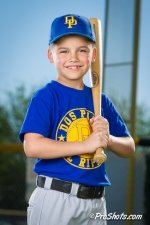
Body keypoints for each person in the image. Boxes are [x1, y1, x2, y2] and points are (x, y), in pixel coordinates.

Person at [19, 14, 135, 225]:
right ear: (50, 55)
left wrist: (107, 139)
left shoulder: (101, 100)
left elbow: (129, 147)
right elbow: (32, 146)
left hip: (96, 201)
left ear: (93, 55)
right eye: (63, 51)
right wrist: (86, 144)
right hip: (56, 197)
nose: (73, 57)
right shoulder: (47, 96)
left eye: (82, 50)